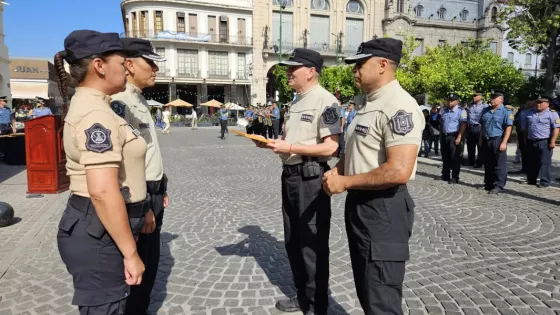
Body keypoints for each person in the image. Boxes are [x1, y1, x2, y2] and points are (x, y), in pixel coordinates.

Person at [323, 38, 422, 315]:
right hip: (363, 206)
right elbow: (357, 150)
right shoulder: (369, 104)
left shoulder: (399, 105)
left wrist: (345, 182)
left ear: (382, 65)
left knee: (381, 298)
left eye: (359, 64)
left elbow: (399, 169)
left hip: (383, 208)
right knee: (367, 288)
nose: (354, 70)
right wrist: (339, 169)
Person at [54, 30, 149, 314]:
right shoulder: (96, 115)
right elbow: (103, 190)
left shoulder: (97, 106)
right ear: (99, 65)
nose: (126, 68)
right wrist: (131, 253)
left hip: (103, 226)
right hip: (99, 232)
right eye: (122, 63)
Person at [253, 48, 340, 315]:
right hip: (290, 176)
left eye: (294, 68)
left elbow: (331, 148)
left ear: (311, 71)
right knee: (293, 241)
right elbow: (295, 142)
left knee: (311, 245)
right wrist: (273, 145)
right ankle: (303, 296)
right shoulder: (296, 102)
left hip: (311, 179)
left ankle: (317, 305)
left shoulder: (325, 101)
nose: (288, 72)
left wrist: (291, 146)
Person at [109, 38, 170, 315]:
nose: (155, 68)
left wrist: (162, 186)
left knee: (150, 262)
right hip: (139, 196)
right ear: (130, 64)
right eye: (151, 62)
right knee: (140, 267)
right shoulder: (121, 101)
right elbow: (124, 162)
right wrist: (143, 205)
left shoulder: (137, 98)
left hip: (152, 191)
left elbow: (148, 152)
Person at [479, 89, 514, 194]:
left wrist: (504, 142)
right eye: (491, 98)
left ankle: (499, 185)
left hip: (498, 139)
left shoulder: (506, 111)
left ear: (501, 100)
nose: (492, 100)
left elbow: (508, 128)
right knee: (488, 163)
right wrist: (480, 139)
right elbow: (482, 126)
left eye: (494, 98)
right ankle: (488, 183)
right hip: (486, 139)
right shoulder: (485, 110)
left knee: (499, 164)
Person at [524, 96, 560, 188]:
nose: (538, 104)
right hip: (531, 141)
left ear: (547, 104)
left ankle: (544, 182)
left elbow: (556, 128)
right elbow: (526, 128)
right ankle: (531, 180)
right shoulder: (531, 113)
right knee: (531, 162)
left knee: (545, 163)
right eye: (537, 102)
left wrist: (552, 141)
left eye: (541, 103)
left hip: (544, 141)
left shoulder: (552, 114)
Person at [439, 93, 467, 184]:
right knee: (445, 156)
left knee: (455, 158)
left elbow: (463, 124)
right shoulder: (445, 111)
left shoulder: (461, 111)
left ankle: (455, 177)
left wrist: (459, 137)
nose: (449, 102)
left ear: (457, 101)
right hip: (445, 136)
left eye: (452, 100)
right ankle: (445, 175)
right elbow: (442, 123)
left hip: (454, 136)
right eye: (448, 100)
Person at [510, 100, 534, 175]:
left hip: (530, 135)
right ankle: (524, 169)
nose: (528, 103)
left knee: (531, 153)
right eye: (526, 102)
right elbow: (515, 120)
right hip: (521, 134)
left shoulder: (535, 111)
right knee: (523, 151)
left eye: (530, 101)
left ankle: (531, 170)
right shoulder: (521, 111)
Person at [467, 92, 487, 168]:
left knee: (480, 146)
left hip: (479, 127)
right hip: (471, 127)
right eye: (473, 96)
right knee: (470, 145)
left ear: (480, 96)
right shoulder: (470, 105)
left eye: (475, 96)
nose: (474, 97)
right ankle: (470, 161)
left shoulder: (484, 106)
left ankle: (479, 162)